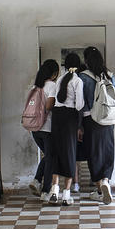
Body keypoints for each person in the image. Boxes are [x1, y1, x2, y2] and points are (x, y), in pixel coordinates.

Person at [80, 47, 115, 205]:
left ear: (86, 60)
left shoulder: (83, 77)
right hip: (108, 119)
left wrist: (80, 126)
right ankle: (106, 182)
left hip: (91, 120)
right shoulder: (109, 74)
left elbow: (81, 104)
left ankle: (100, 190)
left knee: (94, 154)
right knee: (108, 152)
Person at [47, 53, 84, 206]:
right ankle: (66, 195)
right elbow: (79, 104)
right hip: (70, 117)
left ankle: (54, 190)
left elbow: (54, 99)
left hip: (56, 116)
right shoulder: (77, 81)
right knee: (69, 153)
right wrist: (80, 124)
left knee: (56, 152)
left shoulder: (60, 79)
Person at [27, 59, 58, 200]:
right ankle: (45, 191)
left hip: (34, 128)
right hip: (47, 127)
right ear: (54, 73)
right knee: (51, 158)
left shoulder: (35, 86)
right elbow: (49, 106)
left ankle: (37, 180)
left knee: (48, 156)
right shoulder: (52, 85)